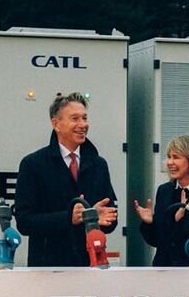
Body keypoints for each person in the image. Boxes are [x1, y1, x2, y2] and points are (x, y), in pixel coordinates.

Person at [14, 92, 118, 266]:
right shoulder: (33, 164)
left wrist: (96, 219)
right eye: (75, 119)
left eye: (84, 118)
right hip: (47, 270)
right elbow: (25, 222)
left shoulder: (99, 165)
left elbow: (111, 219)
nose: (82, 124)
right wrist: (69, 218)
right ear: (56, 124)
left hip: (89, 266)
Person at [134, 135, 189, 266]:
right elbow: (156, 241)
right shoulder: (164, 191)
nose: (170, 162)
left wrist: (178, 221)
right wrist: (149, 223)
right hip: (164, 273)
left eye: (176, 157)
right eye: (169, 156)